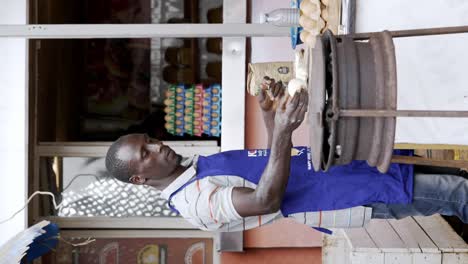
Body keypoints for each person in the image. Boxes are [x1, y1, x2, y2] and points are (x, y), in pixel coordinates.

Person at [105, 77, 468, 232]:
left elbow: (271, 163)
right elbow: (265, 199)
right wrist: (281, 131)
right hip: (349, 196)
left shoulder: (199, 167)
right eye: (146, 153)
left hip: (344, 169)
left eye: (150, 140)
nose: (157, 145)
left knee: (456, 176)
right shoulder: (196, 203)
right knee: (456, 194)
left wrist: (270, 114)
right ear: (139, 178)